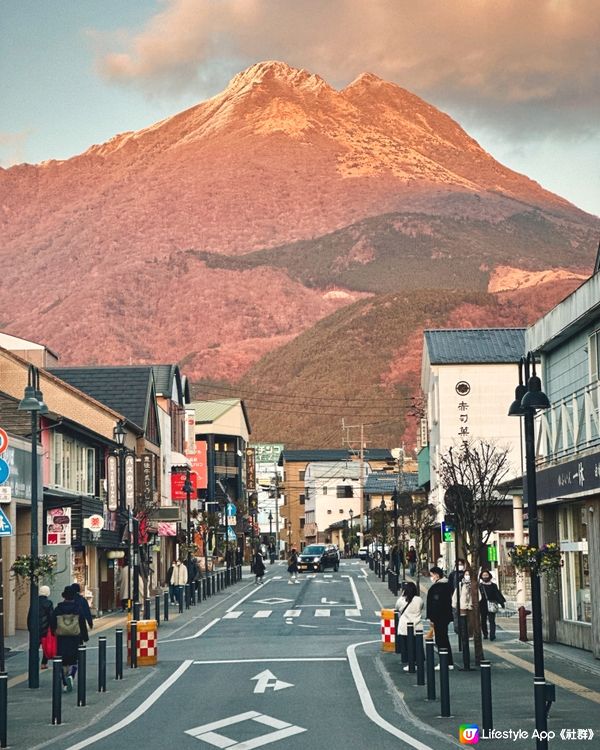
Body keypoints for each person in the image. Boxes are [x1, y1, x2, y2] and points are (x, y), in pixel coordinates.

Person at [50, 586, 85, 692]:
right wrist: (84, 636)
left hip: (62, 638)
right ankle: (71, 675)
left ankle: (64, 683)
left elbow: (52, 622)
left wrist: (54, 631)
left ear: (64, 596)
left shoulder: (58, 608)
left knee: (62, 660)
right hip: (75, 638)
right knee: (74, 660)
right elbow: (82, 623)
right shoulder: (77, 608)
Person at [426, 566, 454, 669]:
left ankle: (444, 663)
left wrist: (432, 618)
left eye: (432, 575)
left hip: (439, 617)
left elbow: (435, 604)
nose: (431, 577)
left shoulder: (438, 587)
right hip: (445, 616)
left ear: (437, 575)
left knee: (440, 639)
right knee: (444, 638)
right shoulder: (447, 585)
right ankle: (449, 662)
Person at [395, 581, 423, 670]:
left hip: (405, 627)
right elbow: (422, 607)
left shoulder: (402, 600)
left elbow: (397, 607)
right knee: (417, 646)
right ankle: (418, 663)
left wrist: (402, 595)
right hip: (417, 626)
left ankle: (410, 664)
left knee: (407, 646)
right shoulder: (419, 600)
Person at [27, 584, 54, 669]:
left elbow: (29, 615)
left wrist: (30, 627)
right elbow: (51, 616)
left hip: (35, 628)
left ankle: (33, 663)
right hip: (45, 629)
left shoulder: (34, 602)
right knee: (45, 647)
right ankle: (43, 663)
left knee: (34, 647)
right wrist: (53, 628)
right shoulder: (49, 603)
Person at [479, 570, 506, 641]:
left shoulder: (493, 585)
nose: (485, 577)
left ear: (489, 576)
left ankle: (492, 635)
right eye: (483, 575)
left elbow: (497, 594)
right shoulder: (480, 586)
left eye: (486, 575)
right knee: (483, 620)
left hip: (492, 604)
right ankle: (485, 634)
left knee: (492, 620)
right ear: (481, 577)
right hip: (482, 605)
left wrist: (501, 602)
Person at [453, 565, 474, 637]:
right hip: (462, 606)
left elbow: (479, 596)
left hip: (471, 606)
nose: (467, 576)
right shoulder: (461, 584)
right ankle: (464, 635)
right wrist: (454, 604)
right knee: (463, 622)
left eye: (469, 574)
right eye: (466, 574)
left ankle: (470, 635)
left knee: (471, 622)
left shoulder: (474, 584)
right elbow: (456, 595)